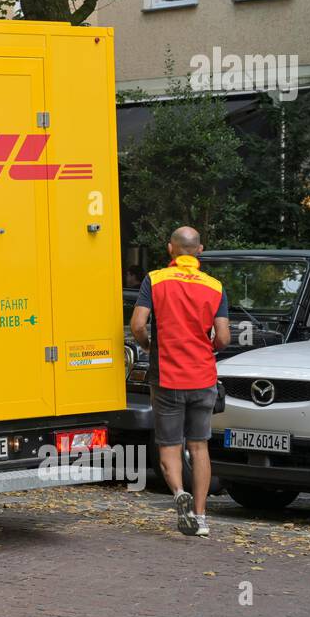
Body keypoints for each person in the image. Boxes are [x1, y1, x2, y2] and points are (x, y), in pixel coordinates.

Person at [129, 227, 230, 537]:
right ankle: (200, 518)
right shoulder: (215, 286)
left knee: (169, 448)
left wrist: (148, 345)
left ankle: (177, 494)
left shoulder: (155, 280)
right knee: (200, 448)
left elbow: (137, 325)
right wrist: (208, 346)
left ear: (170, 249)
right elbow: (224, 338)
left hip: (168, 378)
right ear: (200, 250)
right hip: (202, 377)